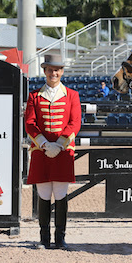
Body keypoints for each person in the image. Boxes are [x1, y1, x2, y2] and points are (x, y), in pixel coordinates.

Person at [25, 54, 82, 250]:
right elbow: (30, 123)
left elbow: (75, 122)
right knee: (43, 193)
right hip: (41, 151)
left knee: (60, 194)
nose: (53, 73)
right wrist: (43, 144)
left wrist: (59, 144)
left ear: (62, 71)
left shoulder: (72, 95)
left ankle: (60, 238)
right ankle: (43, 239)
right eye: (50, 70)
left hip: (63, 151)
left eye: (57, 70)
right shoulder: (33, 96)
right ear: (44, 71)